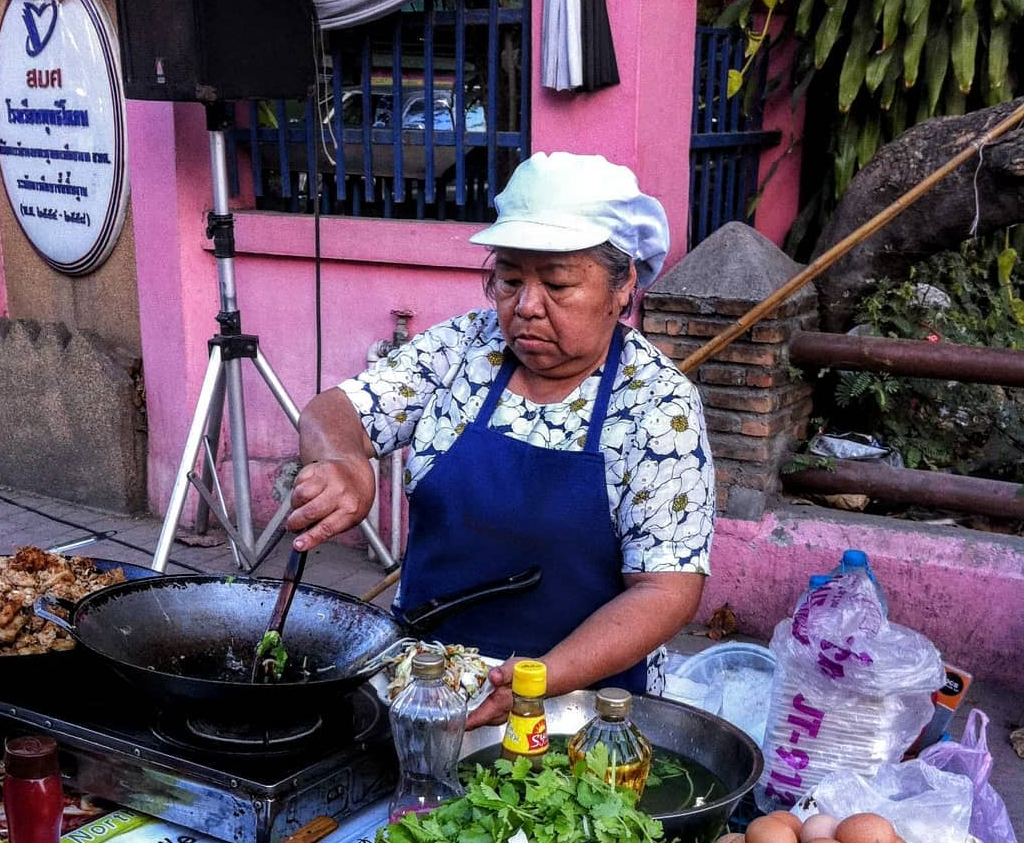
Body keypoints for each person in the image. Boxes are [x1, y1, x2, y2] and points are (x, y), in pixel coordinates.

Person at [288, 151, 715, 729]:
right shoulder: (464, 349)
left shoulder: (657, 405)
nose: (526, 307)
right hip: (428, 682)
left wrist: (543, 677)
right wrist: (343, 458)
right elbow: (336, 410)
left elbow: (665, 588)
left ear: (623, 287)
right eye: (510, 279)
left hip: (585, 710)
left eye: (558, 284)